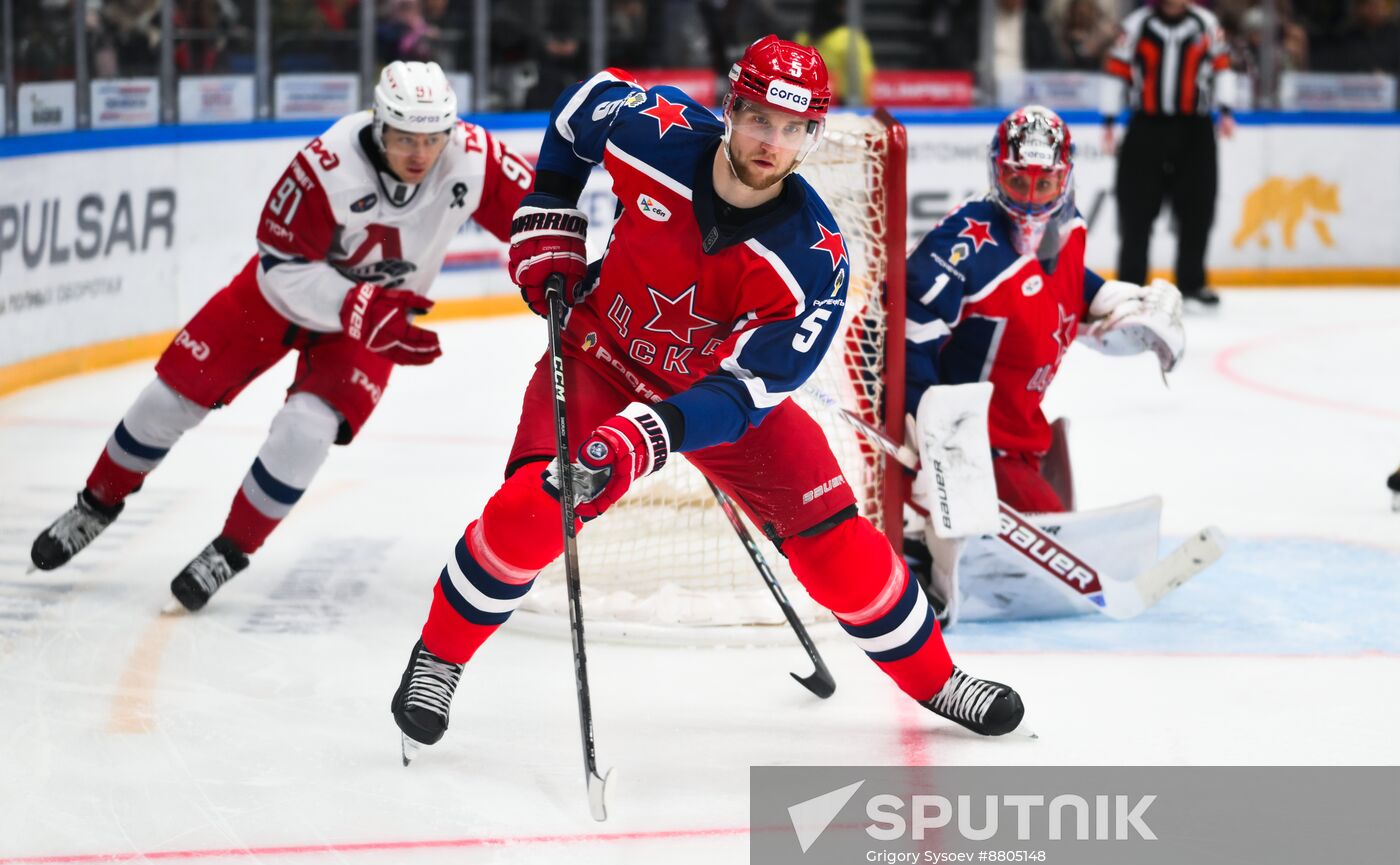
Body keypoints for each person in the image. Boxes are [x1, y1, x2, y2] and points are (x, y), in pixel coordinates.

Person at [390, 36, 1027, 764]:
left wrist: (650, 434)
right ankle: (439, 659)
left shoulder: (811, 258)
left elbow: (748, 391)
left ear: (813, 134)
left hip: (721, 404)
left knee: (837, 549)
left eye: (795, 129)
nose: (773, 143)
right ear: (730, 108)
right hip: (600, 356)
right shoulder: (654, 134)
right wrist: (551, 208)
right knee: (535, 508)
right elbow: (581, 107)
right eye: (760, 119)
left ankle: (939, 680)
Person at [30, 61, 534, 610]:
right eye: (406, 138)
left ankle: (229, 551)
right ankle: (96, 504)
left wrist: (563, 266)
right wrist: (358, 303)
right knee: (166, 402)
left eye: (433, 139)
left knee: (307, 430)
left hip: (371, 320)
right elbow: (281, 265)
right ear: (379, 125)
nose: (420, 154)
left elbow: (538, 215)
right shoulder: (329, 164)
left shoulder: (472, 157)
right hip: (278, 301)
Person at [902, 106, 1185, 616]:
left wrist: (1109, 301)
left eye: (1044, 184)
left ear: (1066, 178)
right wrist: (928, 439)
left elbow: (1067, 281)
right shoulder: (961, 249)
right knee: (1056, 567)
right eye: (1017, 181)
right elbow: (907, 334)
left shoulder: (1069, 226)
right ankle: (917, 545)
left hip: (1021, 431)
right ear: (995, 173)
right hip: (979, 448)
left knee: (1050, 535)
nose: (1030, 201)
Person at [1102, 0, 1237, 309]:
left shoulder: (1206, 24)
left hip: (1196, 128)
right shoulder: (1136, 25)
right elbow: (1117, 71)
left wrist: (1226, 110)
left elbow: (1222, 68)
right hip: (1146, 126)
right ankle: (1130, 284)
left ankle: (1192, 283)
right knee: (1135, 206)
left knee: (1197, 206)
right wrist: (1108, 119)